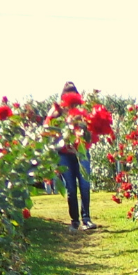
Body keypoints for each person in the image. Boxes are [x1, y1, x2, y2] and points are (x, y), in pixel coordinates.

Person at [54, 82, 94, 231]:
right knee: (70, 188)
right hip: (64, 154)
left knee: (85, 185)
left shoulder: (82, 113)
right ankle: (74, 221)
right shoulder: (58, 113)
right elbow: (49, 131)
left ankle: (86, 219)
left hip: (81, 152)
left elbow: (90, 134)